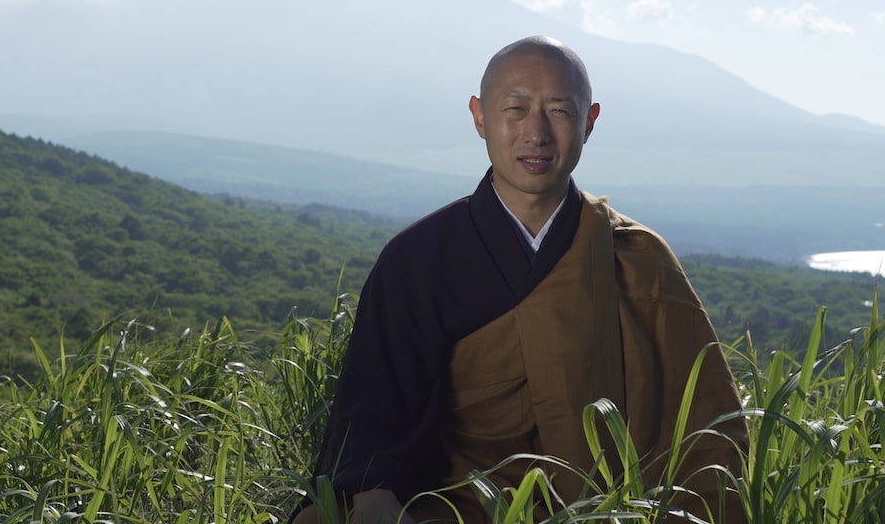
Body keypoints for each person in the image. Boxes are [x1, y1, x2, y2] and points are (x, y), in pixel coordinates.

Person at [292, 36, 749, 524]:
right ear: (479, 117)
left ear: (589, 121)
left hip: (608, 513)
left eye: (559, 111)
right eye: (515, 109)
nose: (536, 133)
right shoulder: (418, 260)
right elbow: (372, 431)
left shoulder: (635, 258)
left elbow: (706, 431)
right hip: (451, 511)